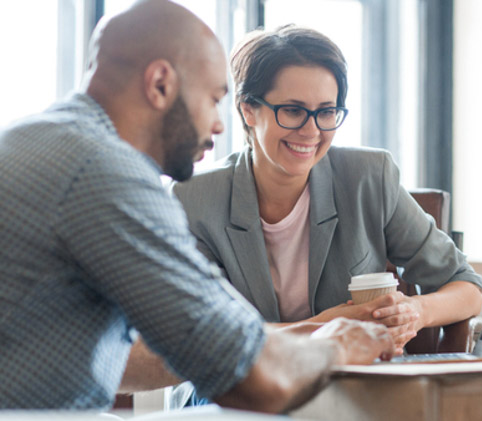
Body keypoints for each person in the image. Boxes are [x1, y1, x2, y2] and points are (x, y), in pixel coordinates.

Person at [0, 0, 393, 412]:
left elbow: (141, 360)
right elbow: (253, 381)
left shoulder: (38, 138)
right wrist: (336, 345)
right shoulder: (105, 172)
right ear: (160, 84)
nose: (220, 124)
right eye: (213, 98)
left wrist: (302, 334)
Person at [170, 25, 482, 354]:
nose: (311, 130)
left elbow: (467, 286)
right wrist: (324, 328)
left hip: (353, 384)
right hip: (236, 384)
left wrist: (414, 312)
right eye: (292, 111)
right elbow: (205, 335)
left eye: (326, 112)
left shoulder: (368, 178)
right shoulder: (194, 201)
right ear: (248, 109)